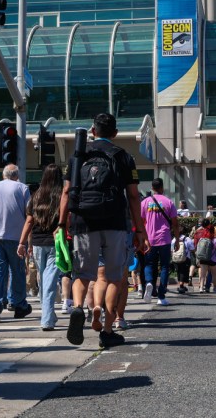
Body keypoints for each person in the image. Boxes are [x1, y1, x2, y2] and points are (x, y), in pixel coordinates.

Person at [59, 113, 148, 349]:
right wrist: (140, 229)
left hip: (83, 221)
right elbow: (133, 196)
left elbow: (66, 192)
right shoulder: (123, 156)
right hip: (115, 223)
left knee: (82, 275)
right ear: (115, 133)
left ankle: (78, 308)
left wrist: (61, 223)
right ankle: (107, 331)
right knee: (114, 278)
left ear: (92, 130)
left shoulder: (78, 155)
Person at [17, 163, 63, 331]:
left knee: (44, 280)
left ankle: (48, 314)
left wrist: (22, 242)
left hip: (37, 243)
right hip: (55, 242)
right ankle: (47, 319)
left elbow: (29, 221)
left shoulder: (35, 196)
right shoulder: (62, 196)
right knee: (48, 281)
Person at [0, 164, 32, 323]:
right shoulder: (22, 188)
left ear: (4, 175)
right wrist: (27, 240)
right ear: (16, 175)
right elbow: (29, 215)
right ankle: (18, 304)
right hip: (16, 237)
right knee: (17, 271)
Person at [141, 178, 180, 306]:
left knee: (149, 264)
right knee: (164, 266)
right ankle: (161, 296)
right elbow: (175, 223)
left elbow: (140, 222)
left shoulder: (145, 202)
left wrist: (142, 238)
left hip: (149, 239)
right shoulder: (169, 202)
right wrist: (178, 240)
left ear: (152, 188)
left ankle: (149, 282)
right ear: (162, 188)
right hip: (164, 239)